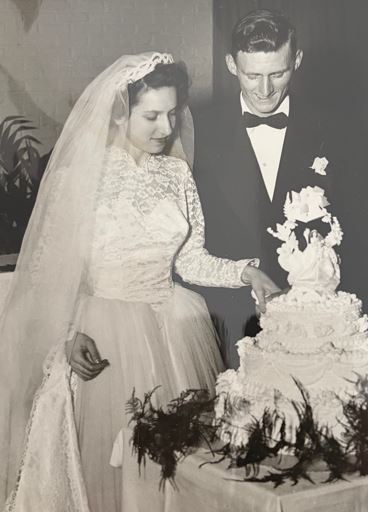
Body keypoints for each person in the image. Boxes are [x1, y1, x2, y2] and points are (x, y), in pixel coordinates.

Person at [0, 52, 279, 512]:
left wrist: (245, 272)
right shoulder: (78, 178)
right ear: (118, 112)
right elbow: (45, 273)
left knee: (179, 471)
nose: (166, 128)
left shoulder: (176, 173)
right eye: (151, 116)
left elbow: (190, 260)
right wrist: (66, 335)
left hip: (175, 331)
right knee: (111, 477)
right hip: (104, 337)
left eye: (172, 113)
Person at [193, 9, 335, 369]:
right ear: (231, 64)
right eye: (252, 75)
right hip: (224, 319)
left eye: (278, 73)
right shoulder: (197, 127)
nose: (265, 90)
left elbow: (353, 225)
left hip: (311, 317)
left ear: (297, 60)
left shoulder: (331, 126)